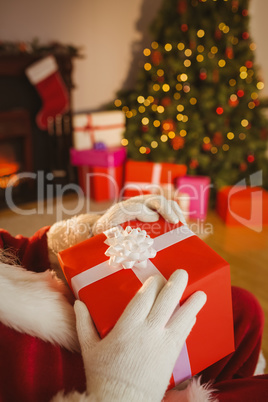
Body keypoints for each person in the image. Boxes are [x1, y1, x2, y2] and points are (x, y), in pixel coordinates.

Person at [0, 195, 267, 401]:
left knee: (242, 309)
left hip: (87, 322)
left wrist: (96, 233)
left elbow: (16, 251)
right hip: (91, 385)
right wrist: (122, 389)